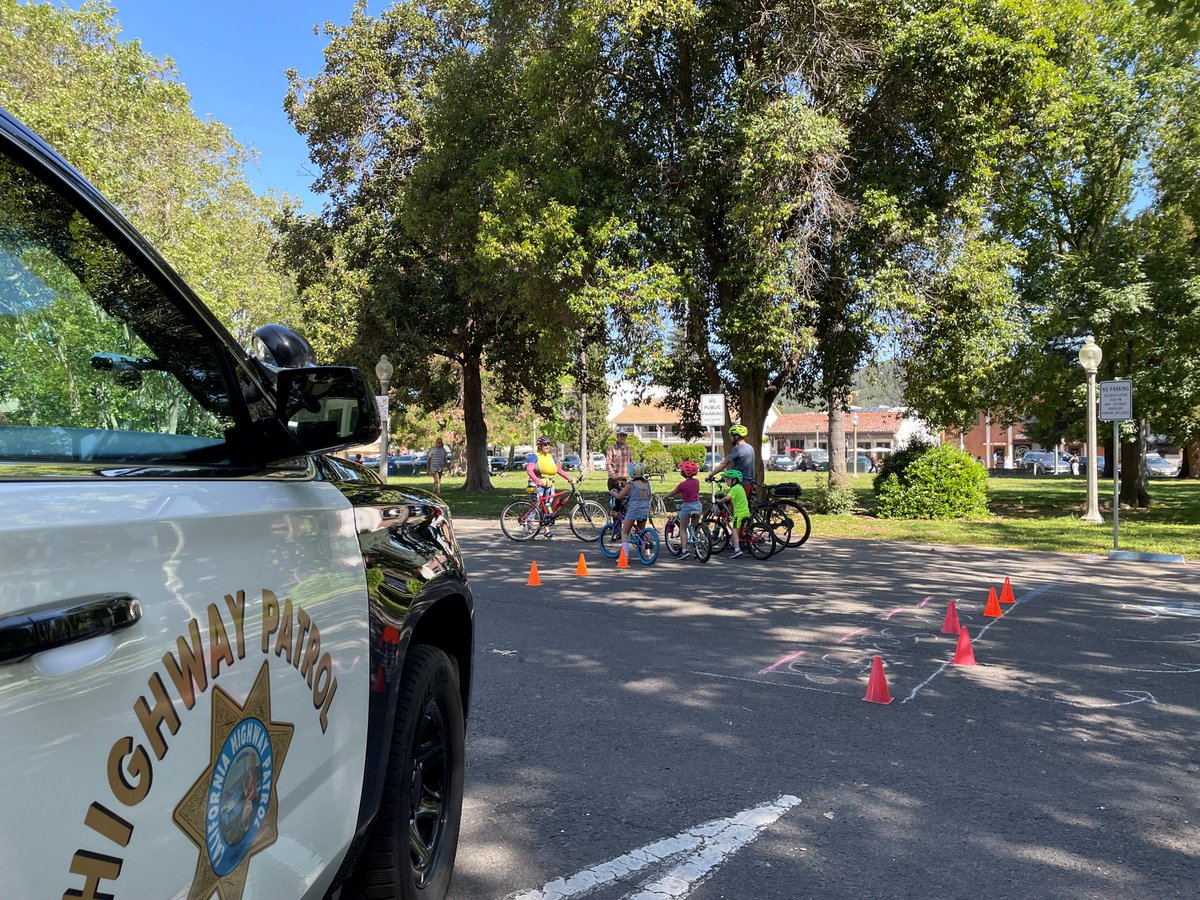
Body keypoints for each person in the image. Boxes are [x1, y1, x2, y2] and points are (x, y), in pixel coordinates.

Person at [527, 437, 575, 531]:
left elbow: (559, 470)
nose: (547, 446)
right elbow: (529, 470)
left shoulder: (552, 457)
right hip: (537, 485)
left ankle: (546, 529)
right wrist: (538, 481)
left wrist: (569, 478)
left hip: (549, 485)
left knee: (547, 505)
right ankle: (529, 528)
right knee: (535, 505)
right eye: (545, 444)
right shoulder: (534, 456)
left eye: (548, 444)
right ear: (540, 446)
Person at [609, 461, 652, 559]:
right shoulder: (647, 483)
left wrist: (613, 492)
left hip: (634, 509)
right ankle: (648, 554)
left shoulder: (630, 485)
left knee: (624, 532)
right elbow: (646, 495)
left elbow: (620, 496)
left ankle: (625, 557)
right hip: (644, 508)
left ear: (631, 473)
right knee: (641, 531)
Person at [667, 460, 703, 558]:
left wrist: (666, 496)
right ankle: (698, 548)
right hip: (698, 505)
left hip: (687, 506)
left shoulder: (682, 484)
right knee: (695, 527)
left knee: (683, 528)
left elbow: (673, 492)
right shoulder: (697, 482)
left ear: (683, 473)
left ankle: (684, 551)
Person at [708, 424, 757, 496]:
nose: (730, 438)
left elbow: (723, 464)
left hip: (740, 485)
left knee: (735, 507)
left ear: (736, 437)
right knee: (745, 506)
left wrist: (711, 475)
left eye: (731, 436)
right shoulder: (750, 448)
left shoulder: (738, 449)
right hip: (750, 484)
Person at [715, 469, 750, 559]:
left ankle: (737, 550)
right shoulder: (740, 487)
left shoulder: (734, 488)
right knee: (742, 530)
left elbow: (727, 498)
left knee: (734, 530)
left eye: (728, 479)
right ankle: (749, 545)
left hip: (739, 514)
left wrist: (719, 501)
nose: (726, 481)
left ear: (734, 480)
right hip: (746, 512)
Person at [606, 427, 634, 492]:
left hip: (624, 479)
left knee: (627, 499)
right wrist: (612, 474)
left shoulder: (628, 448)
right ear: (617, 436)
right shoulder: (611, 448)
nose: (622, 437)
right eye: (620, 435)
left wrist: (638, 474)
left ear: (626, 437)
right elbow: (608, 463)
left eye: (624, 436)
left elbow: (632, 463)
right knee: (615, 499)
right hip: (614, 480)